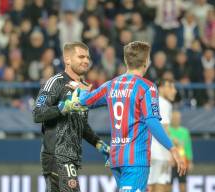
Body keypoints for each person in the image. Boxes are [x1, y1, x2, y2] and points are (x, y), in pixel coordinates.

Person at [73, 41, 186, 191]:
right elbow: (152, 121)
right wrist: (172, 148)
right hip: (135, 160)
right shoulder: (147, 87)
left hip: (117, 159)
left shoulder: (111, 84)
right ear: (146, 61)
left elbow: (84, 102)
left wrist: (80, 91)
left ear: (126, 61)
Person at [32, 42, 110, 192]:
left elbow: (81, 124)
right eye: (81, 56)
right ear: (67, 59)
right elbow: (37, 113)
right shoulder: (55, 82)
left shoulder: (85, 87)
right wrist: (64, 106)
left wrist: (100, 145)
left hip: (71, 157)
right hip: (57, 154)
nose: (86, 61)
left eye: (87, 57)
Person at [148, 77, 177, 192]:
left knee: (153, 185)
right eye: (170, 87)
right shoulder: (163, 103)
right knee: (158, 185)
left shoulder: (153, 102)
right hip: (160, 152)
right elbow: (164, 129)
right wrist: (172, 151)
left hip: (153, 152)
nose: (174, 90)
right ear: (160, 88)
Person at [169, 111, 193, 192]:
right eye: (175, 118)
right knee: (168, 185)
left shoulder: (185, 132)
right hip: (171, 162)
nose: (176, 120)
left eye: (178, 118)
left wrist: (190, 161)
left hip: (182, 162)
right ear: (171, 119)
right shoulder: (167, 130)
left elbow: (188, 147)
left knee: (183, 184)